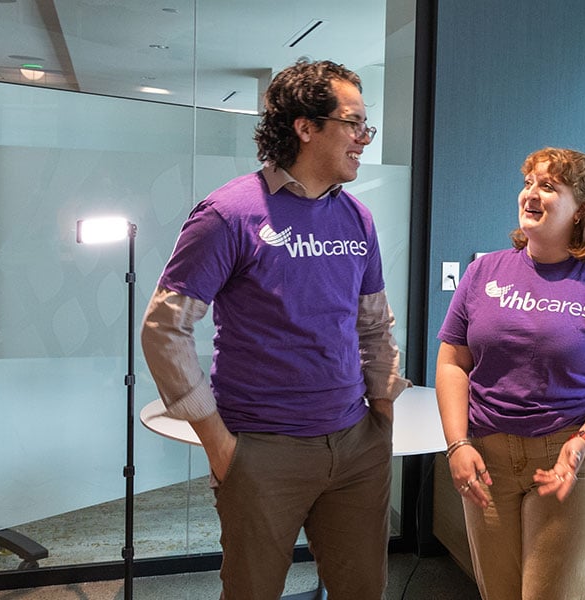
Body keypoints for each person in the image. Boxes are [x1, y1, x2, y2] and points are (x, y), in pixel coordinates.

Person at [140, 58, 409, 600]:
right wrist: (219, 445)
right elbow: (164, 329)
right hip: (263, 450)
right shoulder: (229, 214)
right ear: (305, 127)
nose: (364, 138)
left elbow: (374, 324)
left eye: (365, 126)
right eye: (353, 123)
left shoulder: (357, 218)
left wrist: (380, 414)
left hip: (357, 444)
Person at [436, 147, 585, 600]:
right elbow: (452, 363)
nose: (531, 194)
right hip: (487, 456)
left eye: (549, 187)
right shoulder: (484, 273)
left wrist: (584, 442)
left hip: (570, 457)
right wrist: (457, 443)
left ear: (582, 210)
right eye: (529, 183)